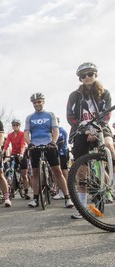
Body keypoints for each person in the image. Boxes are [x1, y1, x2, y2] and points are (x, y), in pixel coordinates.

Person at [66, 62, 114, 219]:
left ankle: (111, 183)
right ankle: (82, 205)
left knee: (109, 145)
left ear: (95, 75)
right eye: (83, 75)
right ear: (80, 78)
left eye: (90, 74)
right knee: (81, 168)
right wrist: (86, 129)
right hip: (81, 130)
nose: (87, 77)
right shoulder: (74, 95)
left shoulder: (104, 93)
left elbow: (107, 114)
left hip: (101, 127)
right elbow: (69, 116)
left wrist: (96, 129)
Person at [24, 92, 74, 208]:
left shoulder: (50, 115)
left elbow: (55, 130)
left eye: (39, 102)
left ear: (43, 102)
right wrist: (29, 143)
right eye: (35, 102)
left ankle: (67, 197)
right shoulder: (30, 117)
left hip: (49, 144)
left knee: (57, 171)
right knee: (35, 173)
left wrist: (53, 142)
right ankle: (35, 199)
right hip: (35, 146)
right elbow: (26, 133)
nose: (37, 104)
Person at [3, 119, 31, 200]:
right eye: (14, 125)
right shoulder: (10, 135)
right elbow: (6, 144)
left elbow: (23, 144)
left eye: (17, 125)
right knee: (11, 172)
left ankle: (26, 192)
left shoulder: (22, 134)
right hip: (14, 154)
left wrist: (22, 154)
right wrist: (3, 152)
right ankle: (12, 189)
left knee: (24, 175)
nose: (15, 126)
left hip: (22, 154)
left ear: (19, 126)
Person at [52, 117, 69, 200]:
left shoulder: (62, 131)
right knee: (57, 173)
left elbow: (62, 143)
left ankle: (63, 191)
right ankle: (60, 190)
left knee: (62, 172)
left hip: (62, 153)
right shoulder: (52, 131)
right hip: (56, 153)